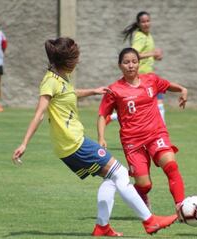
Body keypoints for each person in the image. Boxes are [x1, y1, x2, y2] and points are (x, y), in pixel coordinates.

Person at [11, 37, 178, 237]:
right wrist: (24, 143)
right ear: (67, 60)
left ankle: (102, 227)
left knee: (111, 177)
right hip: (75, 143)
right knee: (122, 175)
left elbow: (69, 93)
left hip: (66, 146)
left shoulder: (60, 77)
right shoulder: (49, 82)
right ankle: (150, 221)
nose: (78, 62)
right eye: (76, 58)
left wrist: (93, 91)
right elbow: (39, 113)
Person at [98, 47, 187, 212]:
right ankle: (142, 195)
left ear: (139, 64)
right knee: (144, 184)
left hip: (156, 134)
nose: (130, 65)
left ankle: (181, 207)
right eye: (126, 62)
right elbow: (103, 114)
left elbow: (167, 85)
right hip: (132, 141)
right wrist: (101, 137)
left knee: (171, 166)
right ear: (120, 66)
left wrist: (182, 89)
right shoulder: (114, 90)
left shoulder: (151, 80)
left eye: (134, 61)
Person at [106, 11, 165, 124]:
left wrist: (156, 56)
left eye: (148, 21)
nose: (146, 24)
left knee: (143, 107)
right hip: (143, 76)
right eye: (143, 22)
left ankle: (113, 117)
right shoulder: (140, 37)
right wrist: (153, 53)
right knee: (158, 104)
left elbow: (145, 55)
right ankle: (161, 131)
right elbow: (134, 54)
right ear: (138, 24)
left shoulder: (148, 36)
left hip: (148, 74)